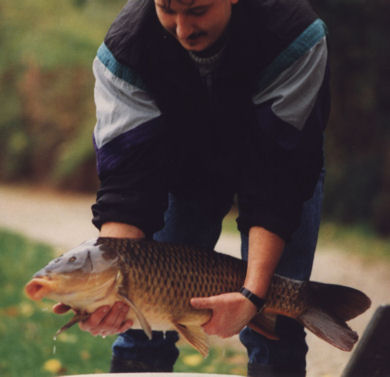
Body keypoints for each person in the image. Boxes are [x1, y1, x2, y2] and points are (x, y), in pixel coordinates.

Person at [54, 0, 330, 375]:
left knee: (277, 321)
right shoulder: (124, 51)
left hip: (281, 162)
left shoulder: (295, 35)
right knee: (143, 323)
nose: (183, 29)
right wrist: (112, 290)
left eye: (197, 10)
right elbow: (129, 183)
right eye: (167, 9)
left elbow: (278, 176)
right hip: (181, 170)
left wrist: (252, 295)